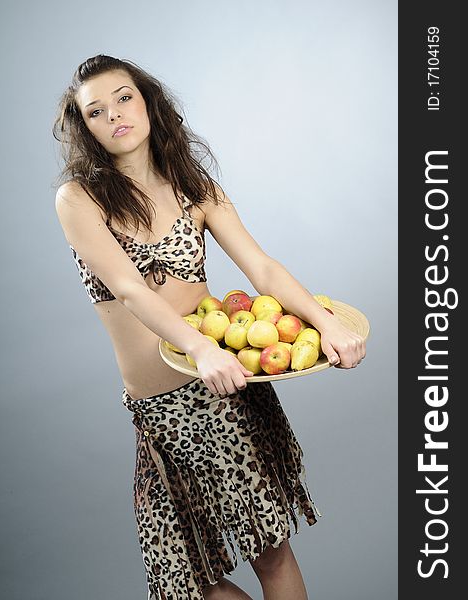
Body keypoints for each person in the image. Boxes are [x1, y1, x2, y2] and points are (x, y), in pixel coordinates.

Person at [52, 54, 365, 600]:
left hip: (224, 389)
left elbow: (261, 268)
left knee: (271, 554)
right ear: (87, 127)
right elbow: (128, 288)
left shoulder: (193, 185)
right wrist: (199, 348)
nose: (115, 115)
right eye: (96, 111)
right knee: (182, 586)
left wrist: (326, 324)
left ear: (147, 100)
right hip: (161, 409)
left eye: (124, 97)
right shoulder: (79, 198)